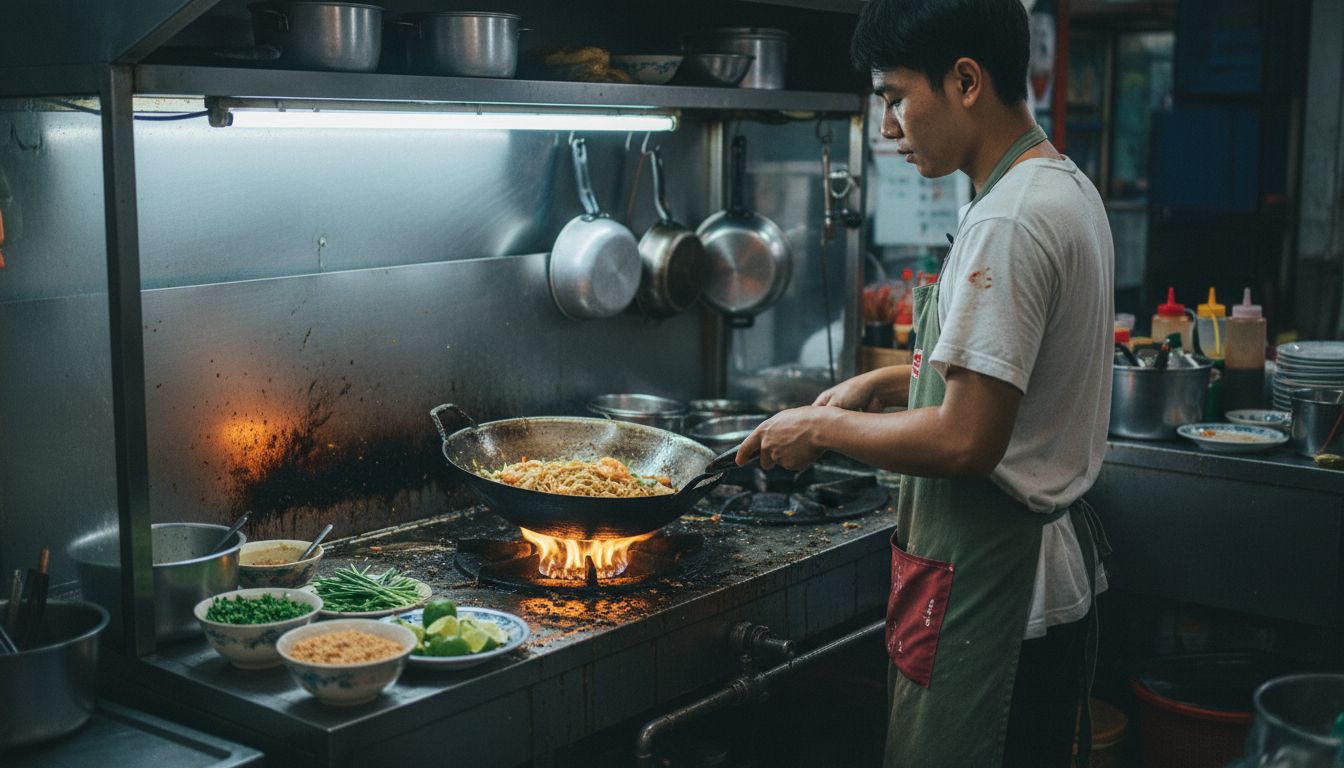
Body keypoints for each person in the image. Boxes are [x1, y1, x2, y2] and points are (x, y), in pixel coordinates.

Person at [734, 0, 1114, 765]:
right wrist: (881, 391)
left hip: (997, 595)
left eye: (896, 97)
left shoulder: (1008, 219)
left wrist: (818, 430)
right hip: (1020, 580)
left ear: (966, 80)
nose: (887, 129)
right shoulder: (1061, 185)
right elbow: (1009, 392)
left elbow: (969, 439)